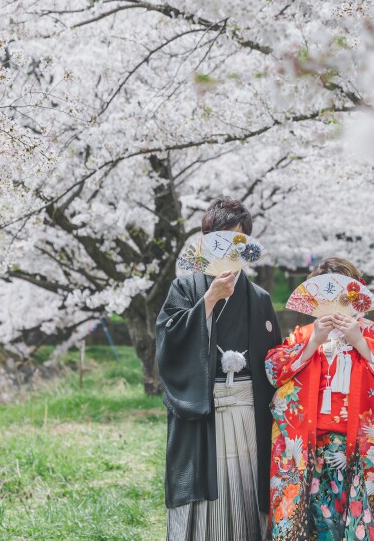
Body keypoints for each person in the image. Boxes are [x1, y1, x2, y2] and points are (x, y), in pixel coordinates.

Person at [265, 258, 374, 541]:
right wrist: (313, 343)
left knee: (360, 523)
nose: (333, 302)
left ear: (355, 294)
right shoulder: (305, 334)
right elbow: (274, 368)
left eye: (340, 293)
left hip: (363, 448)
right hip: (314, 446)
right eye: (324, 294)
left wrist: (359, 341)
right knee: (319, 523)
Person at [156, 197, 281, 541]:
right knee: (202, 503)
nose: (228, 248)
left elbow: (275, 366)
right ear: (206, 241)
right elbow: (168, 347)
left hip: (248, 412)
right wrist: (208, 300)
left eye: (237, 240)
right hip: (203, 412)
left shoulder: (259, 299)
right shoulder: (186, 288)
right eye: (220, 239)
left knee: (246, 492)